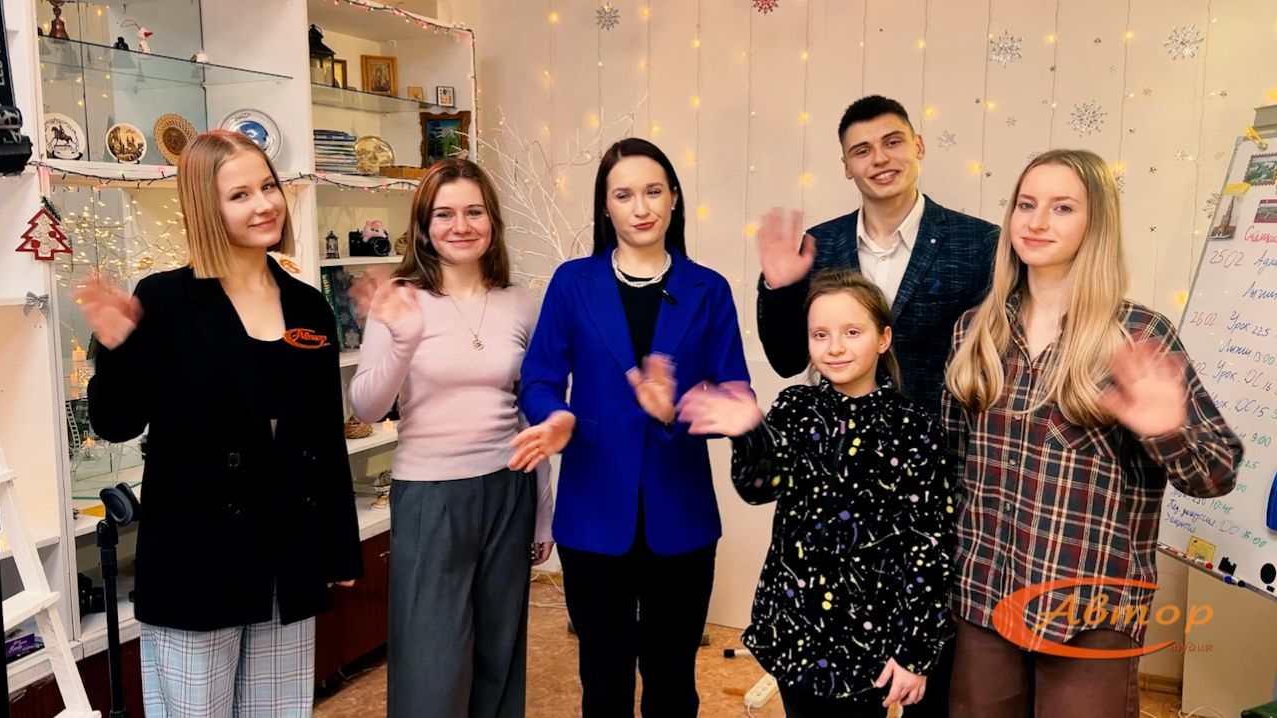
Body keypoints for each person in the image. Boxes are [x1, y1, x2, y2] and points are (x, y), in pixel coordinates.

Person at [941, 149, 1243, 717]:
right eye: (1026, 205)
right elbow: (954, 468)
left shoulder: (1137, 334)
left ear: (1095, 223)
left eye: (1062, 208)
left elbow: (1217, 473)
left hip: (1090, 610)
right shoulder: (975, 331)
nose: (1036, 222)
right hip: (984, 596)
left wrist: (1166, 430)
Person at [78, 129, 363, 716]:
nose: (264, 204)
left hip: (287, 553)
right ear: (204, 207)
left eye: (268, 186)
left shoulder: (308, 305)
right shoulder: (164, 299)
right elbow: (115, 423)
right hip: (196, 556)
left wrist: (339, 550)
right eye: (240, 195)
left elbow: (322, 440)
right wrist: (116, 349)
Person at [514, 138, 749, 717]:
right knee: (603, 679)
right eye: (623, 195)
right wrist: (556, 417)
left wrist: (679, 408)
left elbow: (736, 395)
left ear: (674, 199)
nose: (641, 207)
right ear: (605, 206)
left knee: (672, 682)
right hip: (592, 514)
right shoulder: (573, 284)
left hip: (682, 515)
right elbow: (539, 378)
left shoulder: (709, 289)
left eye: (653, 191)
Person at [677, 269, 952, 717]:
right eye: (820, 335)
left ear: (883, 339)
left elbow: (929, 546)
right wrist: (747, 432)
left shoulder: (915, 430)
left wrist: (915, 651)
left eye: (852, 332)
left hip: (870, 639)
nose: (835, 347)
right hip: (795, 627)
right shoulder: (794, 408)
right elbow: (758, 487)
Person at [347, 158, 554, 718]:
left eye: (473, 212)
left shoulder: (521, 302)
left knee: (498, 654)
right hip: (430, 495)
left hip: (509, 489)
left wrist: (542, 512)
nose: (460, 226)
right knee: (431, 664)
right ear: (423, 224)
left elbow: (531, 413)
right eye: (444, 214)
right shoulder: (400, 298)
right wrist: (404, 340)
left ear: (492, 221)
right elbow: (366, 406)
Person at [756, 94, 998, 420]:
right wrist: (779, 289)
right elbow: (787, 362)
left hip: (940, 442)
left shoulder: (979, 243)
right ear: (846, 166)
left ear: (918, 146)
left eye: (892, 142)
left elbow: (994, 364)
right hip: (838, 442)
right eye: (862, 151)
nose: (880, 159)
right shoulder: (819, 244)